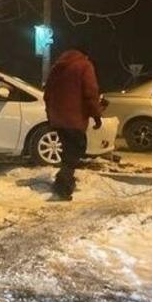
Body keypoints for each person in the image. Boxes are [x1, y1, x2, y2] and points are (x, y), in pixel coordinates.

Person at [42, 46, 104, 200]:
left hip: (58, 118)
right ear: (85, 54)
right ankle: (64, 187)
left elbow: (47, 93)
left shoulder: (57, 67)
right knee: (75, 151)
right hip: (75, 119)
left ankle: (64, 179)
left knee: (68, 150)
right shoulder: (84, 65)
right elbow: (90, 93)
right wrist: (96, 115)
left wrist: (51, 115)